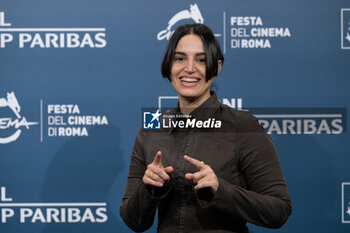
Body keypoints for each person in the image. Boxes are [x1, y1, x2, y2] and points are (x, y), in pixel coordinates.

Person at [120, 23, 292, 233]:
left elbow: (279, 211)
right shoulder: (152, 127)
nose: (189, 68)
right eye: (180, 58)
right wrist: (148, 190)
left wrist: (221, 190)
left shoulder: (242, 126)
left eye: (201, 60)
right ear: (168, 65)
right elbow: (133, 220)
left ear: (216, 67)